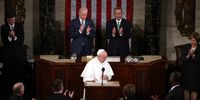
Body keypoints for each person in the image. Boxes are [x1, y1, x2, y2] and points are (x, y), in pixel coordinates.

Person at [1, 13, 28, 98]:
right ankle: (9, 95)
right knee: (8, 77)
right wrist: (9, 36)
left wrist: (14, 36)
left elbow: (21, 40)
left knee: (20, 76)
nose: (12, 21)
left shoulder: (19, 26)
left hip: (19, 57)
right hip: (8, 58)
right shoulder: (3, 27)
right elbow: (4, 42)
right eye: (11, 20)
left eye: (14, 19)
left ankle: (21, 95)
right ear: (7, 20)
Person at [180, 32, 200, 100]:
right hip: (186, 71)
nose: (192, 41)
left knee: (194, 89)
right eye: (191, 39)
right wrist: (188, 55)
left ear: (197, 40)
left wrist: (194, 57)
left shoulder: (199, 48)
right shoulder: (186, 46)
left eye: (194, 40)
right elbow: (182, 58)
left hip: (196, 72)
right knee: (186, 89)